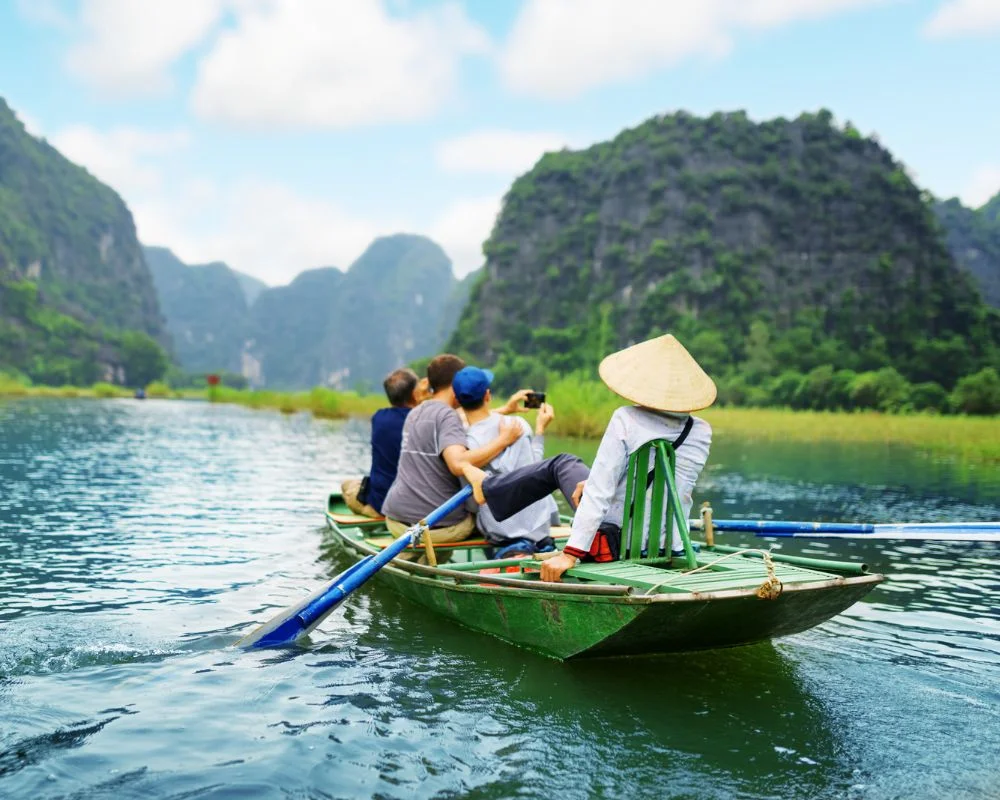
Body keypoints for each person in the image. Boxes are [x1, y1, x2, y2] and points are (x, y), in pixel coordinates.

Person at [462, 334, 714, 582]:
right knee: (577, 473)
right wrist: (593, 481)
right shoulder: (701, 431)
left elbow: (600, 492)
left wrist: (571, 553)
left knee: (561, 463)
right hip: (669, 544)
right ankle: (488, 488)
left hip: (616, 541)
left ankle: (486, 488)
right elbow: (661, 483)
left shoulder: (626, 419)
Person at [380, 354, 526, 543]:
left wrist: (505, 409)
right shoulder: (448, 417)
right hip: (434, 526)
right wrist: (503, 440)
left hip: (395, 519)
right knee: (487, 517)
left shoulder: (416, 411)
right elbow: (457, 464)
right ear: (455, 383)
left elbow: (458, 420)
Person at [454, 366, 559, 559]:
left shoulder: (460, 442)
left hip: (499, 530)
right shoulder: (517, 425)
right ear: (488, 395)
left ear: (457, 400)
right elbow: (536, 470)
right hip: (539, 527)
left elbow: (472, 504)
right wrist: (540, 430)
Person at [342, 367, 422, 518]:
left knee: (347, 485)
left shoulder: (379, 418)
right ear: (414, 393)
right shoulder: (424, 420)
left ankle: (371, 512)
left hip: (381, 502)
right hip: (415, 503)